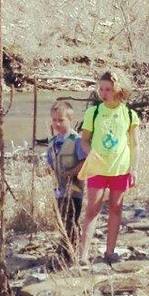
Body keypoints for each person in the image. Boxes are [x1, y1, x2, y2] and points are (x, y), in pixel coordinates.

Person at [77, 71, 140, 265]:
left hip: (120, 169)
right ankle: (83, 255)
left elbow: (134, 144)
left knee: (115, 208)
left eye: (109, 89)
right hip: (97, 168)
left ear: (118, 89)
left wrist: (134, 169)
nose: (104, 93)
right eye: (101, 89)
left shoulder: (129, 114)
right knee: (92, 209)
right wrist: (90, 153)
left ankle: (110, 252)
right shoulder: (93, 113)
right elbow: (84, 141)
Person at [45, 100, 86, 262]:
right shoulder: (52, 142)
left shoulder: (76, 140)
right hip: (58, 189)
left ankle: (71, 250)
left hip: (74, 189)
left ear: (70, 119)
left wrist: (72, 172)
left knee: (71, 219)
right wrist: (47, 170)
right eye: (54, 120)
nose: (57, 123)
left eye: (61, 120)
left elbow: (84, 162)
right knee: (61, 219)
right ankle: (64, 246)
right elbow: (50, 163)